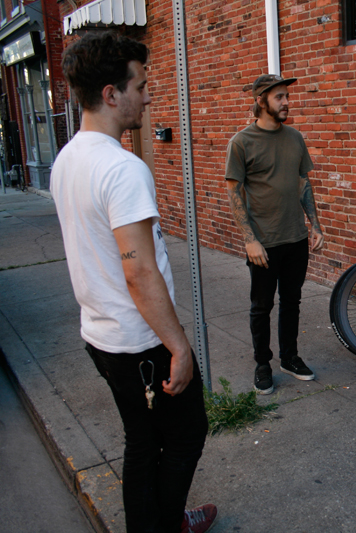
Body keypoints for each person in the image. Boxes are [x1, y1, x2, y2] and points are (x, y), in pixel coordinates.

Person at [51, 32, 216, 533]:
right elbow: (139, 271)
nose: (148, 96)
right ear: (110, 94)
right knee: (186, 434)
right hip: (139, 341)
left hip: (101, 335)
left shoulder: (67, 159)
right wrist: (179, 347)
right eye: (140, 86)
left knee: (143, 440)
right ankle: (166, 526)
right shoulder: (122, 168)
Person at [225, 74, 324, 395]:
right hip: (263, 243)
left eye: (286, 96)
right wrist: (249, 239)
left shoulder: (294, 137)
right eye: (279, 97)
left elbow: (303, 183)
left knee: (292, 301)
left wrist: (316, 225)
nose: (286, 102)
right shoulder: (242, 142)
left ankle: (290, 357)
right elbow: (234, 192)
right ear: (261, 101)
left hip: (295, 238)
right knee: (261, 306)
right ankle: (263, 364)